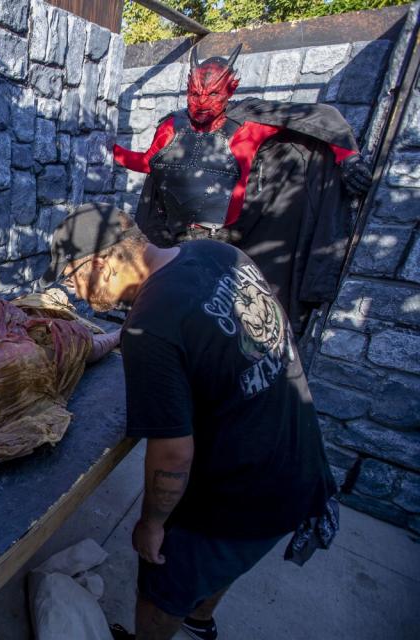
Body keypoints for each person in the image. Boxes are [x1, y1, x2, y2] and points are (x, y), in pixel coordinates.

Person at [40, 202, 337, 640]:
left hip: (243, 489)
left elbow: (173, 453)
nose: (75, 293)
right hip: (300, 457)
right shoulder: (217, 254)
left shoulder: (150, 326)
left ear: (100, 263)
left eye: (72, 276)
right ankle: (199, 622)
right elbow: (220, 333)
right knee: (220, 565)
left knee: (164, 580)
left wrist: (153, 523)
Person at [114, 45, 372, 334]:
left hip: (231, 238)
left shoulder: (250, 123)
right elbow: (150, 163)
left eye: (211, 94)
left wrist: (347, 158)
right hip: (178, 235)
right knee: (174, 305)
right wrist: (111, 151)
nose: (201, 102)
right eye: (194, 94)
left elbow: (321, 118)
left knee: (227, 312)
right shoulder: (172, 126)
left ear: (229, 89)